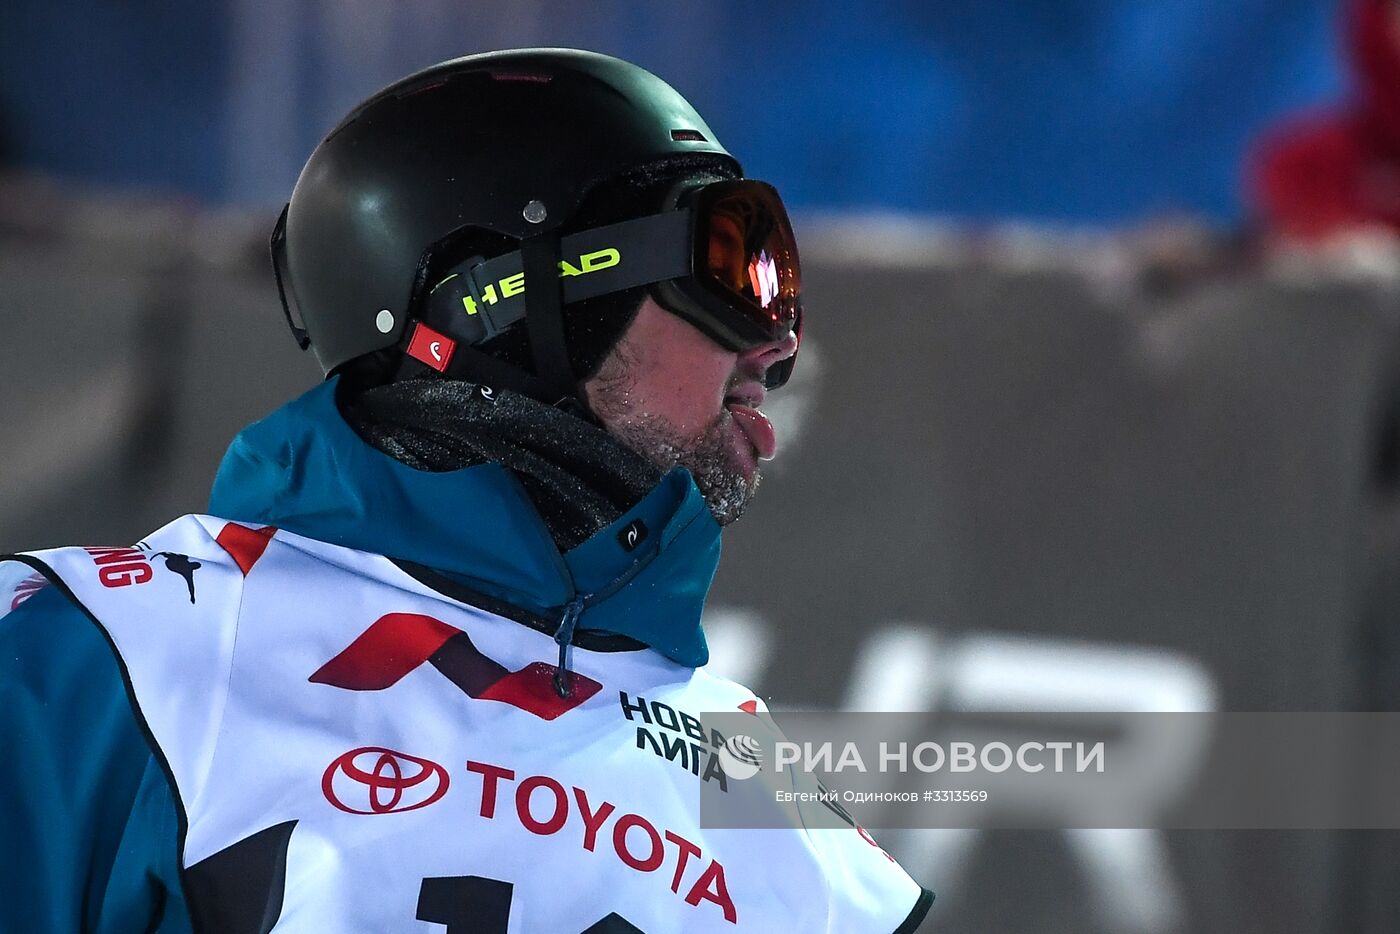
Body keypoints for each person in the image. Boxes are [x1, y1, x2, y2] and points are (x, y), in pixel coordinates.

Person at [0, 49, 932, 932]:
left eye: (775, 281)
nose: (777, 344)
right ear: (513, 302)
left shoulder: (759, 789)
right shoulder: (103, 658)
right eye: (731, 262)